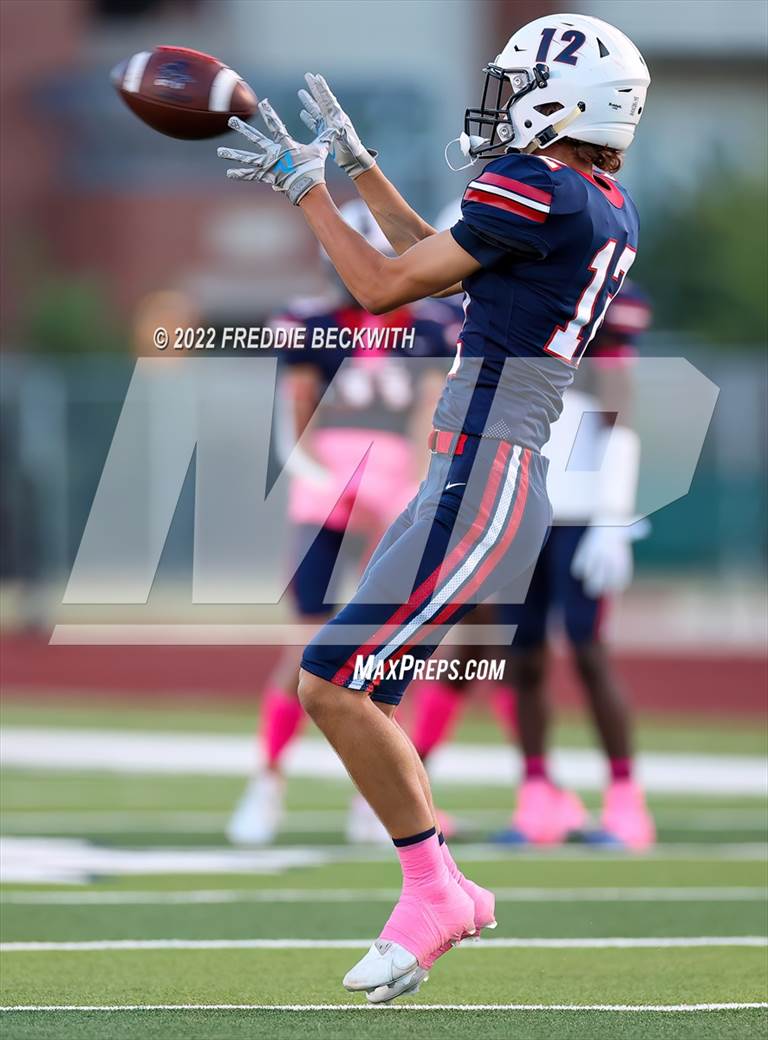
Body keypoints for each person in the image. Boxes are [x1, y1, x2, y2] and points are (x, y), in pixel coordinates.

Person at [217, 12, 649, 1002]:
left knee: (333, 680)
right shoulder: (593, 199)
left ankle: (436, 888)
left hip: (484, 473)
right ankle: (437, 882)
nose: (497, 108)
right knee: (350, 680)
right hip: (478, 471)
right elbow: (447, 264)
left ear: (564, 101)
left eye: (515, 87)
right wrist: (363, 171)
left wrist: (308, 191)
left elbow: (377, 287)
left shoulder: (539, 186)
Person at [227, 200, 458, 845]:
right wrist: (315, 475)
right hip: (328, 489)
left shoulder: (432, 324)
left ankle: (374, 799)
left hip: (394, 487)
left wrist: (415, 484)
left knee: (391, 649)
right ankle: (268, 782)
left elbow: (430, 413)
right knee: (305, 645)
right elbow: (294, 416)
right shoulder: (310, 323)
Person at [408, 280, 657, 851]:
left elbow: (622, 411)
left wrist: (614, 516)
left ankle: (626, 802)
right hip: (521, 502)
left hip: (583, 509)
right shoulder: (509, 303)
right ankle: (538, 795)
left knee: (588, 651)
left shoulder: (591, 296)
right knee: (521, 660)